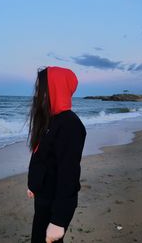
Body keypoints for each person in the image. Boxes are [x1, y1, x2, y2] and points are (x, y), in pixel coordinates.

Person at [26, 65, 87, 243]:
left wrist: (59, 221)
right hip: (43, 197)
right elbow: (41, 156)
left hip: (55, 204)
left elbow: (69, 175)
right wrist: (34, 184)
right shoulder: (50, 120)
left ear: (55, 88)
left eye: (40, 89)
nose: (37, 94)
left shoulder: (70, 125)